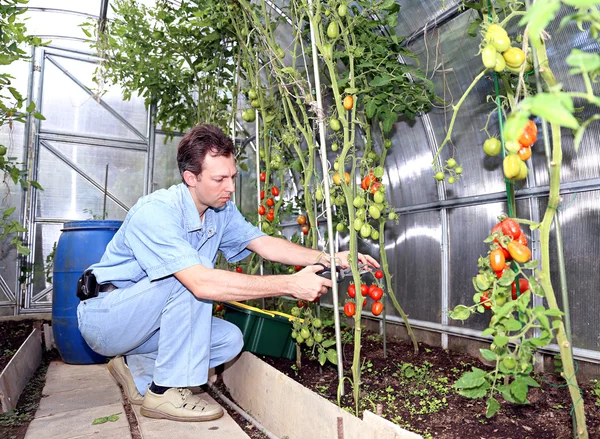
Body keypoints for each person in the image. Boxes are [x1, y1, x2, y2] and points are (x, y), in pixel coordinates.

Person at [76, 124, 378, 422]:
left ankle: (134, 366)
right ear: (190, 178)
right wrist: (290, 284)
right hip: (107, 317)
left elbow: (264, 244)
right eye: (220, 179)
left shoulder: (220, 211)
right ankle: (164, 391)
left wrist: (327, 258)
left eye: (232, 177)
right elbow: (200, 283)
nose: (231, 187)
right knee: (192, 280)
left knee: (229, 339)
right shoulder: (156, 212)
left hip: (145, 326)